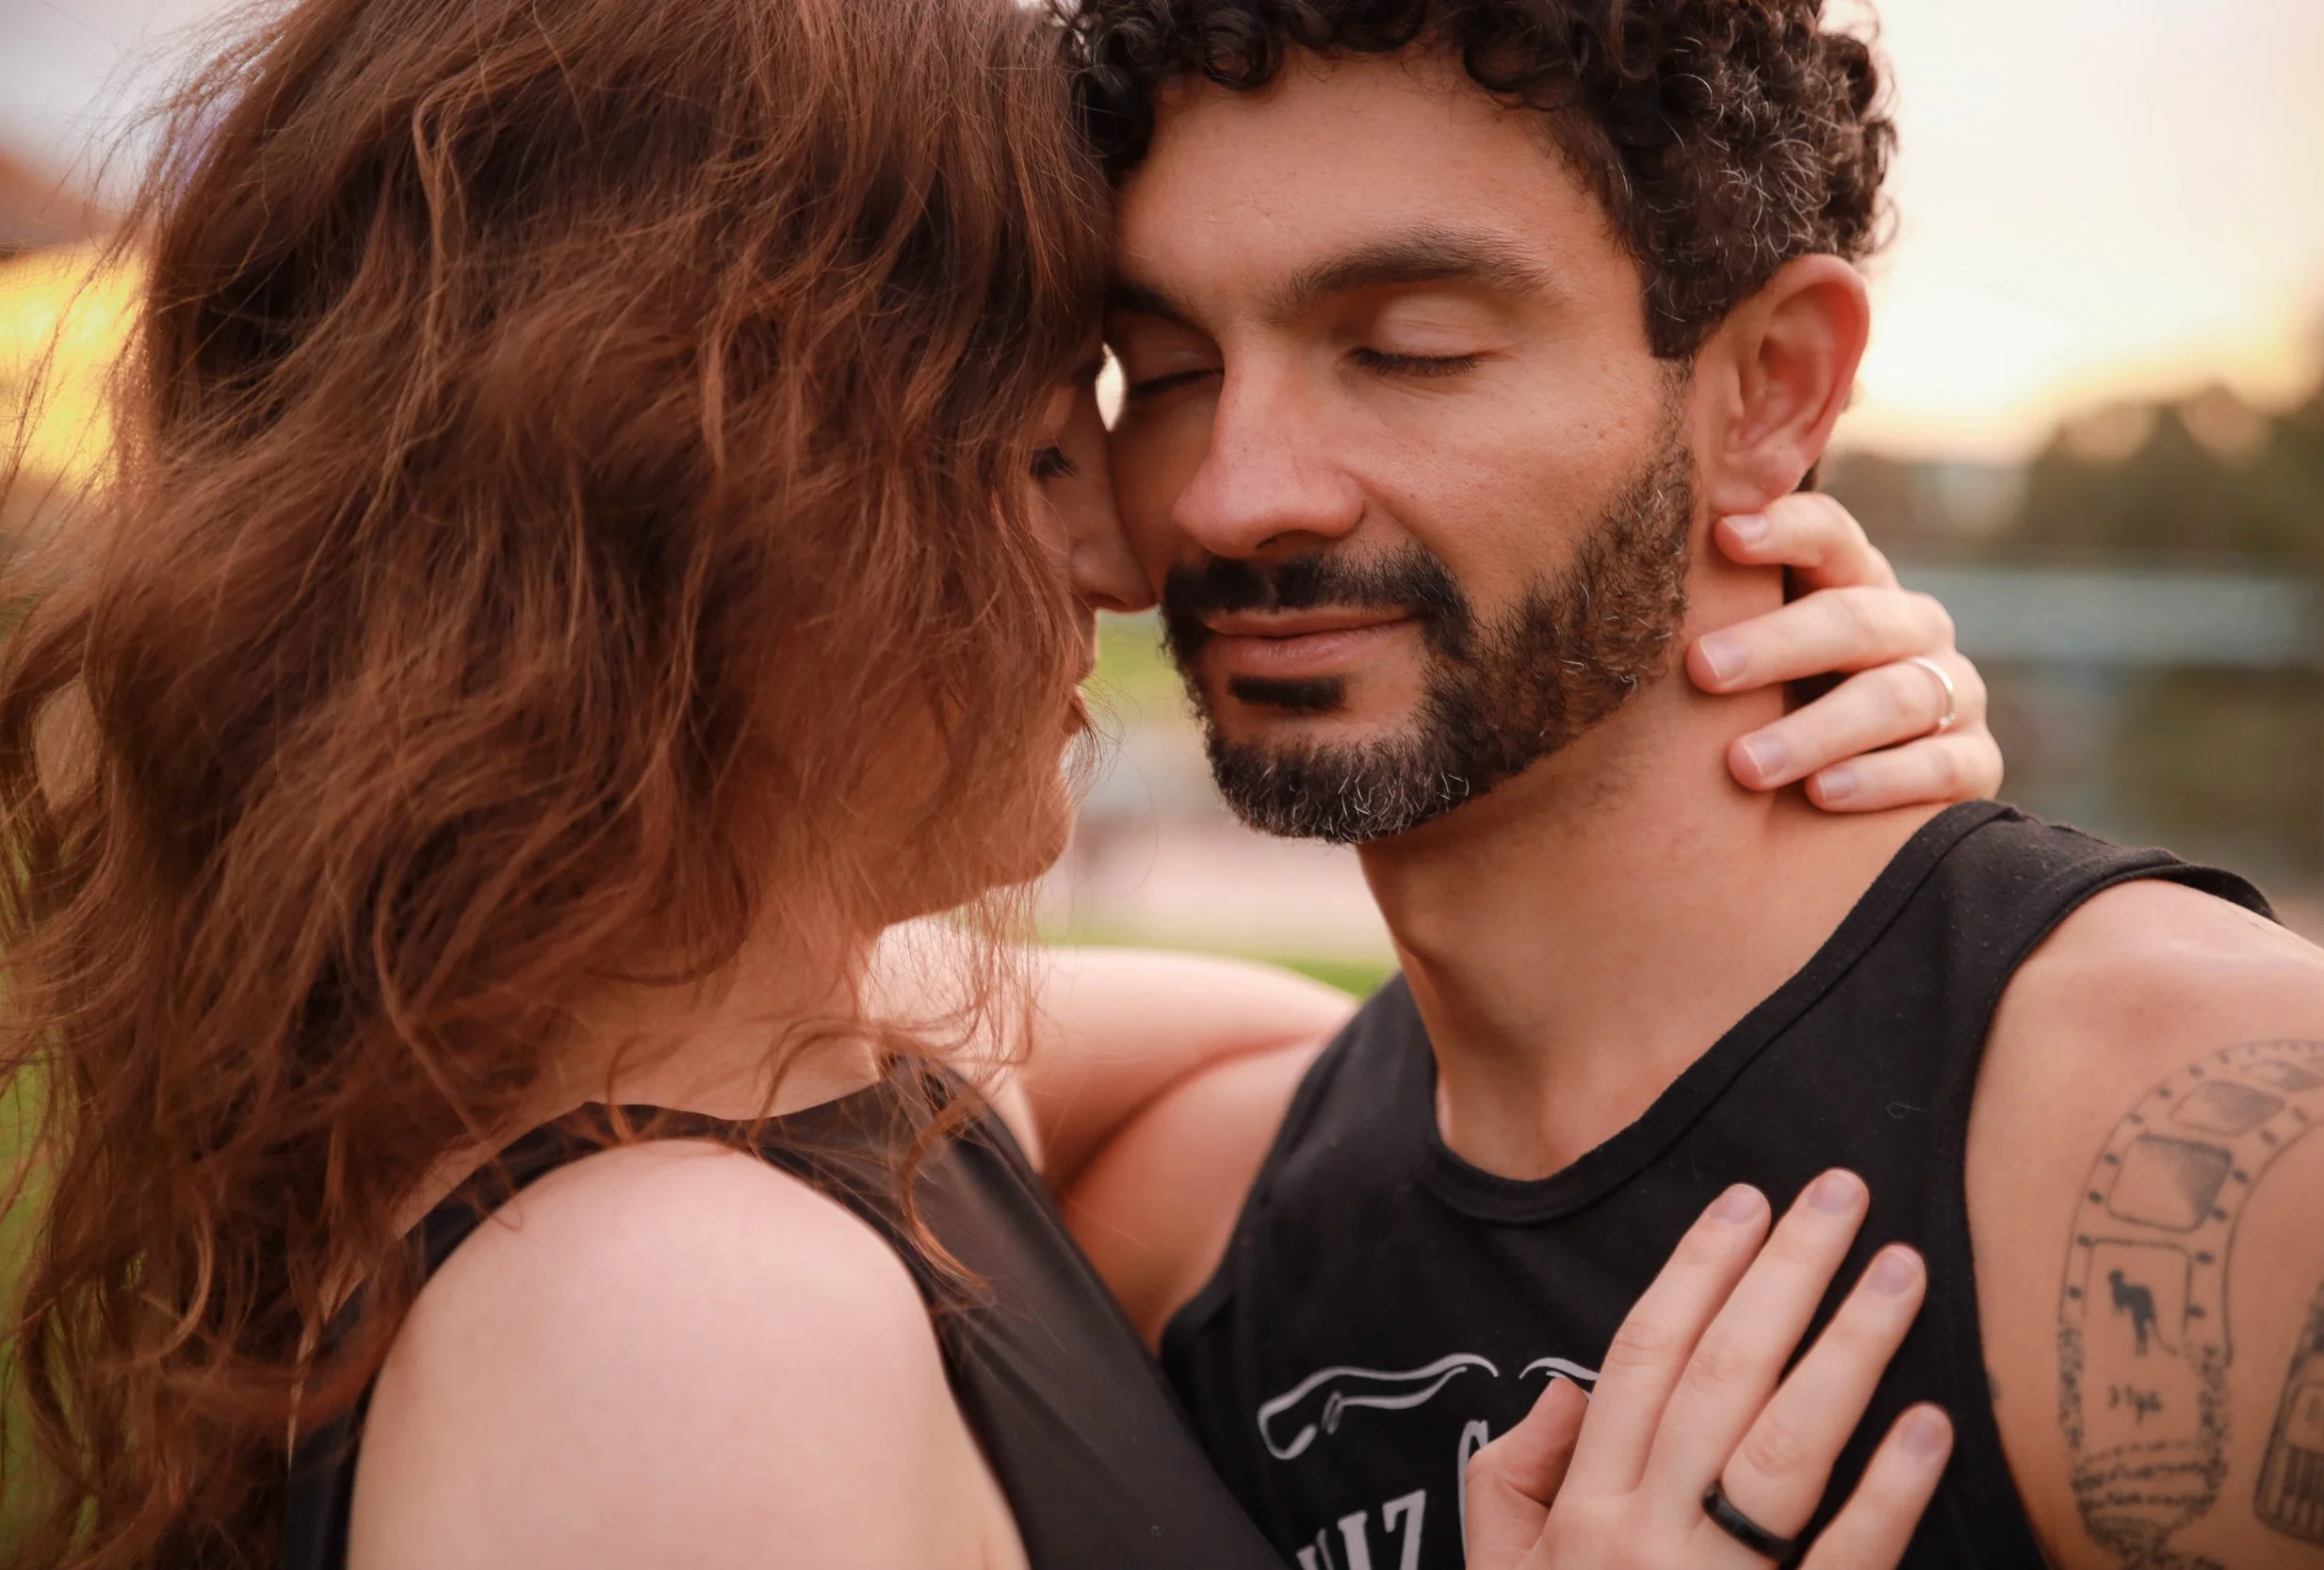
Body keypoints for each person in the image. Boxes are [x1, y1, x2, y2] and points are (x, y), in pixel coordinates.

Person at [0, 0, 1999, 1566]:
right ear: (704, 502)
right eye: (1049, 451)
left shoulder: (769, 1083)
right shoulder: (681, 1326)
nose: (1136, 553)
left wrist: (1718, 728)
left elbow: (1346, 1043)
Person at [1048, 3, 2324, 1569]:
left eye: (1409, 350)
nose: (1236, 492)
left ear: (1772, 390)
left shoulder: (2240, 1165)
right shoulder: (1185, 1216)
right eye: (1167, 370)